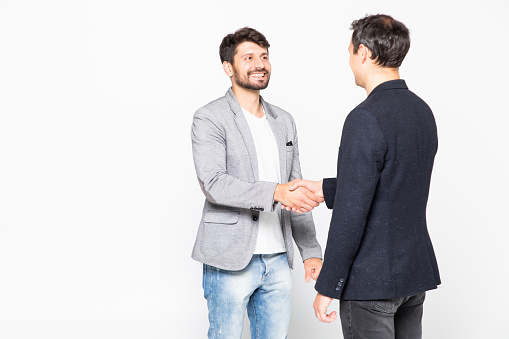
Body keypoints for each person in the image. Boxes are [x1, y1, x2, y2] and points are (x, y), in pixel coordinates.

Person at [287, 14, 441, 338]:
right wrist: (325, 189)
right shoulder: (422, 111)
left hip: (372, 283)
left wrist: (329, 284)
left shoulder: (365, 117)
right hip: (412, 276)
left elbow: (351, 215)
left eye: (349, 51)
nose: (349, 60)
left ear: (363, 53)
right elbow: (394, 182)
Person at [191, 27, 323, 339]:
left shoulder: (284, 121)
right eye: (248, 57)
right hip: (229, 258)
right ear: (229, 67)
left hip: (278, 258)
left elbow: (296, 188)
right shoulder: (209, 117)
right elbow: (214, 183)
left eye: (263, 56)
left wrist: (310, 250)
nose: (259, 64)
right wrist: (275, 192)